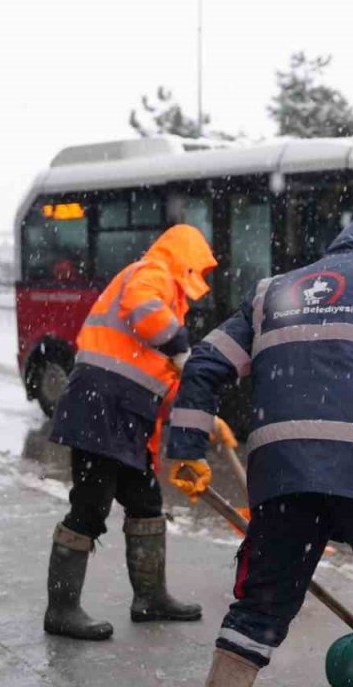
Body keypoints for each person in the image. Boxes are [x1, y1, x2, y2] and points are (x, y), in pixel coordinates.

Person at [166, 216, 353, 686]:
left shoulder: (274, 291)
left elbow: (204, 362)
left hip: (284, 475)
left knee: (259, 608)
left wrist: (187, 448)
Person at [44, 224, 219, 641]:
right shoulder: (152, 272)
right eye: (201, 269)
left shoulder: (170, 297)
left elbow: (160, 382)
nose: (204, 280)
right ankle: (61, 609)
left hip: (123, 413)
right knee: (90, 506)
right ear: (186, 258)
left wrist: (196, 413)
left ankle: (150, 597)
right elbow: (144, 311)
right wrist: (179, 344)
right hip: (99, 405)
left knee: (145, 501)